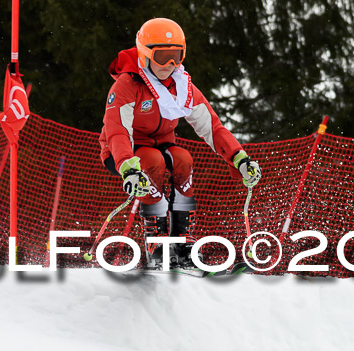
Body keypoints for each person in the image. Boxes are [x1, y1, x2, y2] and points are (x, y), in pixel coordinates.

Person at [98, 17, 261, 270]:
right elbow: (117, 130)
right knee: (152, 161)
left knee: (182, 157)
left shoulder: (182, 85)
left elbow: (212, 127)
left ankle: (182, 240)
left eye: (177, 56)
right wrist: (128, 168)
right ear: (145, 54)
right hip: (122, 152)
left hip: (161, 145)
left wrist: (239, 158)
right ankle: (156, 242)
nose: (169, 64)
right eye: (162, 56)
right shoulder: (128, 85)